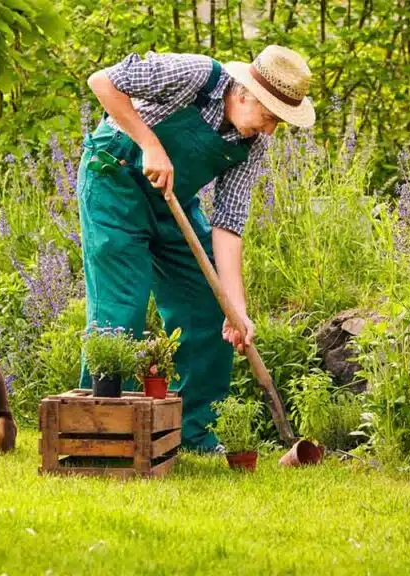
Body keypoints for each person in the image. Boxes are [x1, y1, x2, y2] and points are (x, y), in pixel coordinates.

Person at [77, 45, 315, 452]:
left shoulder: (250, 145)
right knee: (121, 311)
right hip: (113, 183)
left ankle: (192, 432)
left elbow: (229, 224)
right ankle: (103, 434)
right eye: (270, 116)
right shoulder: (194, 75)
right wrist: (150, 145)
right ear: (243, 94)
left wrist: (235, 309)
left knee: (210, 308)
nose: (271, 130)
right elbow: (103, 82)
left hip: (172, 202)